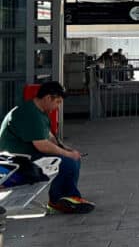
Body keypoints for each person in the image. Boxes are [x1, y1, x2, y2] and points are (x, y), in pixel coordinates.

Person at [0, 81, 94, 214]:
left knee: (73, 159)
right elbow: (42, 145)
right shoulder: (29, 113)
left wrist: (66, 149)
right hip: (17, 161)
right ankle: (58, 201)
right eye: (58, 102)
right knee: (66, 162)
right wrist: (67, 154)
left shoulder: (39, 111)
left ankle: (68, 197)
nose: (58, 107)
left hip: (27, 156)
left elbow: (49, 137)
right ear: (48, 98)